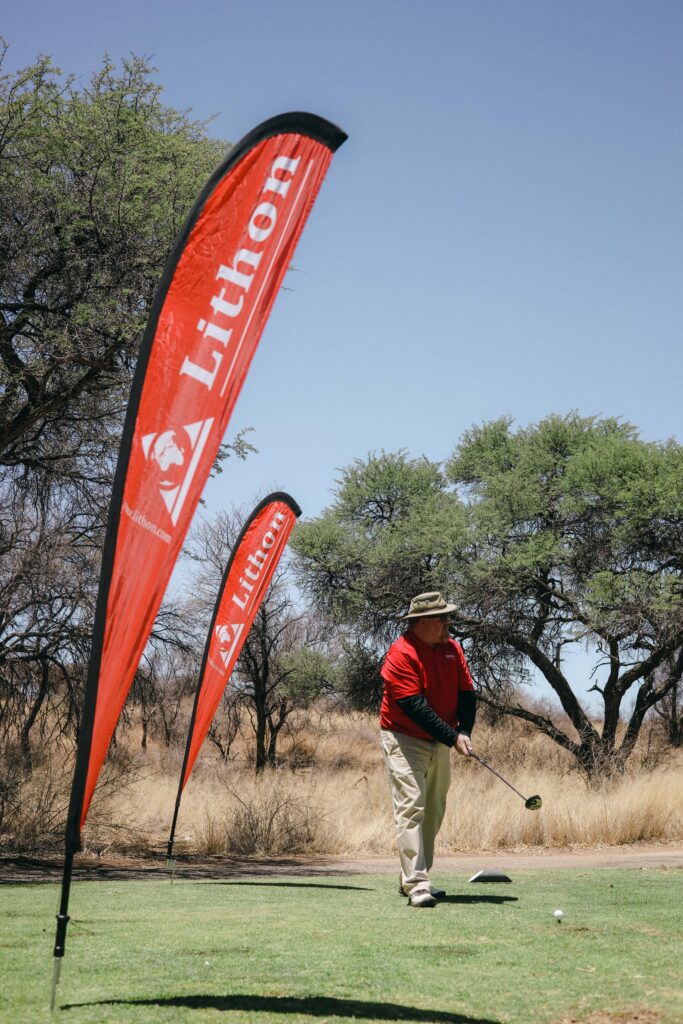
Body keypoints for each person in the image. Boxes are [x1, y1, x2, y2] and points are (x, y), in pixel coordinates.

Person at [379, 591, 476, 908]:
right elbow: (415, 707)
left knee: (433, 809)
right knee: (411, 805)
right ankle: (417, 884)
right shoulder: (401, 654)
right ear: (422, 623)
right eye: (442, 617)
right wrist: (452, 737)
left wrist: (464, 731)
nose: (449, 622)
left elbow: (467, 694)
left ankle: (414, 874)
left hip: (440, 738)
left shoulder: (452, 649)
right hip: (404, 737)